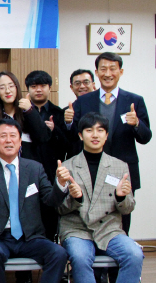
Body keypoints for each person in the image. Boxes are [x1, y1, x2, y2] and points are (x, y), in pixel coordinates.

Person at [64, 52, 151, 234]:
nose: (108, 73)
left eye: (113, 68)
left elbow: (146, 137)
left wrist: (137, 124)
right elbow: (74, 136)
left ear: (121, 71)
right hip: (90, 168)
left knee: (123, 214)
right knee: (87, 213)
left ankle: (120, 251)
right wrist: (69, 122)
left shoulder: (134, 100)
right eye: (103, 69)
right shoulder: (84, 100)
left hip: (122, 170)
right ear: (97, 72)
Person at [0, 119, 68, 283]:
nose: (8, 140)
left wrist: (60, 184)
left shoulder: (34, 168)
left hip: (29, 237)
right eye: (3, 136)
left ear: (20, 141)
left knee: (58, 253)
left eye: (13, 136)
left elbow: (50, 200)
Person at [58, 112, 143, 283]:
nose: (95, 135)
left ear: (106, 136)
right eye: (89, 130)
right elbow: (59, 208)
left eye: (100, 130)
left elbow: (128, 207)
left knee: (134, 254)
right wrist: (76, 198)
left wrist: (121, 197)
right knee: (80, 258)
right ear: (81, 135)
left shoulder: (119, 166)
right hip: (77, 230)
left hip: (109, 230)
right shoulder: (68, 167)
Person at [24, 70, 69, 240]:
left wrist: (54, 130)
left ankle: (49, 251)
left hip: (50, 170)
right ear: (28, 90)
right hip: (28, 170)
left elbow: (67, 145)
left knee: (50, 212)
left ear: (50, 88)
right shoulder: (23, 113)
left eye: (43, 86)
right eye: (33, 86)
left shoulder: (59, 113)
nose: (38, 90)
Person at [0, 71, 51, 160]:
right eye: (2, 88)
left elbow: (43, 137)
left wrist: (29, 111)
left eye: (11, 86)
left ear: (17, 88)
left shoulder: (28, 113)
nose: (8, 91)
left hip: (28, 169)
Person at [65, 69, 96, 159]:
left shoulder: (104, 106)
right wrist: (68, 123)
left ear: (93, 85)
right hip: (76, 160)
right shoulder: (66, 111)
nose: (82, 86)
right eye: (77, 83)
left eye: (86, 82)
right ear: (71, 87)